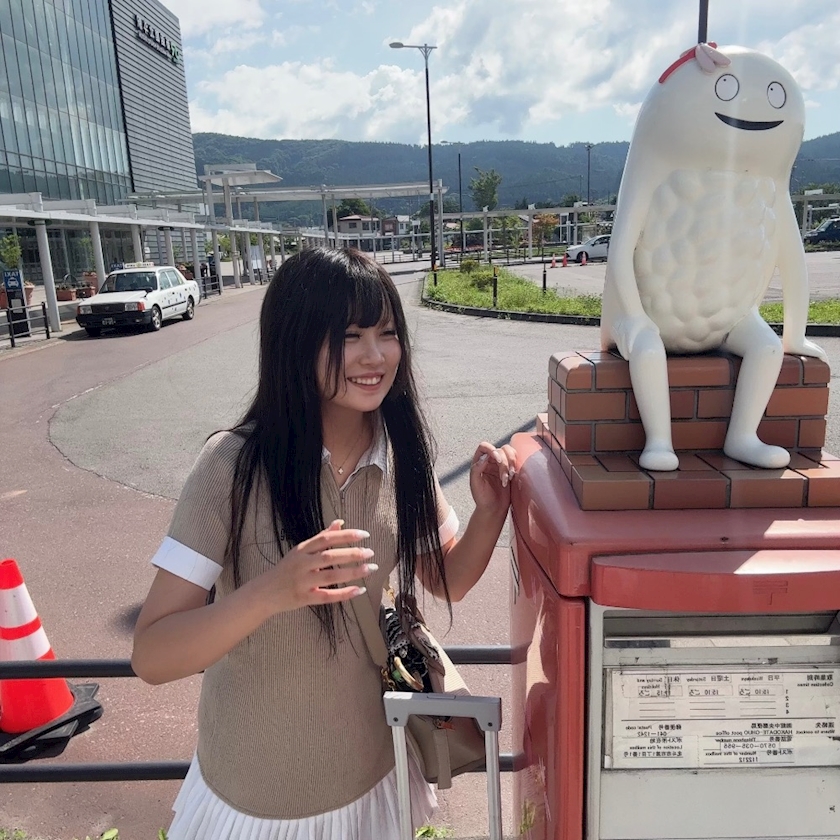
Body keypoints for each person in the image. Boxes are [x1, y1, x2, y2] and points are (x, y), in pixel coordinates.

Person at [131, 247, 516, 839]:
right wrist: (271, 592)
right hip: (254, 794)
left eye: (387, 333)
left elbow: (449, 578)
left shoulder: (401, 455)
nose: (374, 356)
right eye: (349, 336)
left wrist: (490, 512)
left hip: (369, 776)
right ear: (295, 340)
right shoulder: (232, 466)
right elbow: (152, 655)